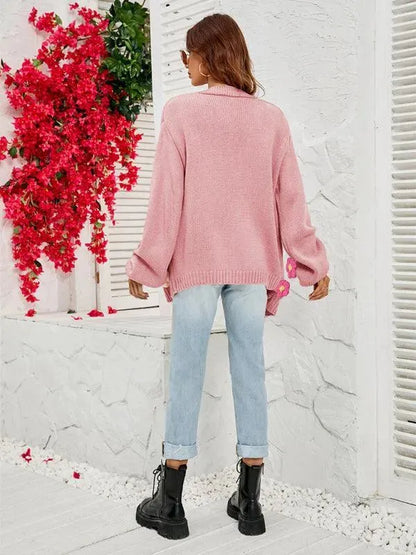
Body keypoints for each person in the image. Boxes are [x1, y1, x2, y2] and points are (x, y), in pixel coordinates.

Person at [125, 13, 330, 540]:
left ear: (208, 55)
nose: (184, 64)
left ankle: (170, 505)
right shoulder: (271, 119)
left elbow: (167, 199)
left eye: (188, 54)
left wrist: (147, 263)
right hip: (252, 267)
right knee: (249, 372)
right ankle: (251, 503)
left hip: (196, 266)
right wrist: (311, 263)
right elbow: (291, 201)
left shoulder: (181, 113)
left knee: (186, 370)